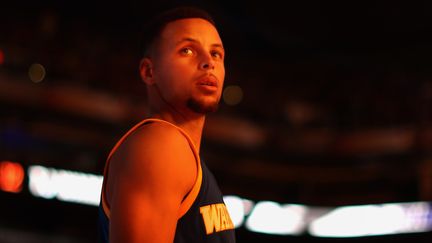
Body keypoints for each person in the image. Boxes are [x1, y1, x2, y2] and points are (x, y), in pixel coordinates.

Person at [98, 6, 236, 243]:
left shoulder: (183, 155)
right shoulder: (162, 144)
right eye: (188, 50)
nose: (208, 63)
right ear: (149, 71)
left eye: (216, 54)